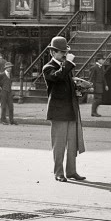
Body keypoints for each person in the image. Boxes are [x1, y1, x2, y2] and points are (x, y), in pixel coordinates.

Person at [42, 36, 85, 182]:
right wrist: (69, 63)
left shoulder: (65, 67)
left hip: (70, 110)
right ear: (52, 53)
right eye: (61, 52)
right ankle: (58, 172)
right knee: (59, 145)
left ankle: (71, 171)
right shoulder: (48, 67)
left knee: (72, 144)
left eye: (65, 52)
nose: (64, 55)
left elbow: (64, 81)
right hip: (58, 112)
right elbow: (58, 77)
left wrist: (77, 85)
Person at [0, 59, 16, 125]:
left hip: (9, 92)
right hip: (3, 92)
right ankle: (3, 120)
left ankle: (11, 120)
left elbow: (10, 83)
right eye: (9, 67)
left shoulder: (10, 75)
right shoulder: (1, 74)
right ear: (6, 68)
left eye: (11, 67)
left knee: (11, 107)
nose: (10, 68)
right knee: (4, 107)